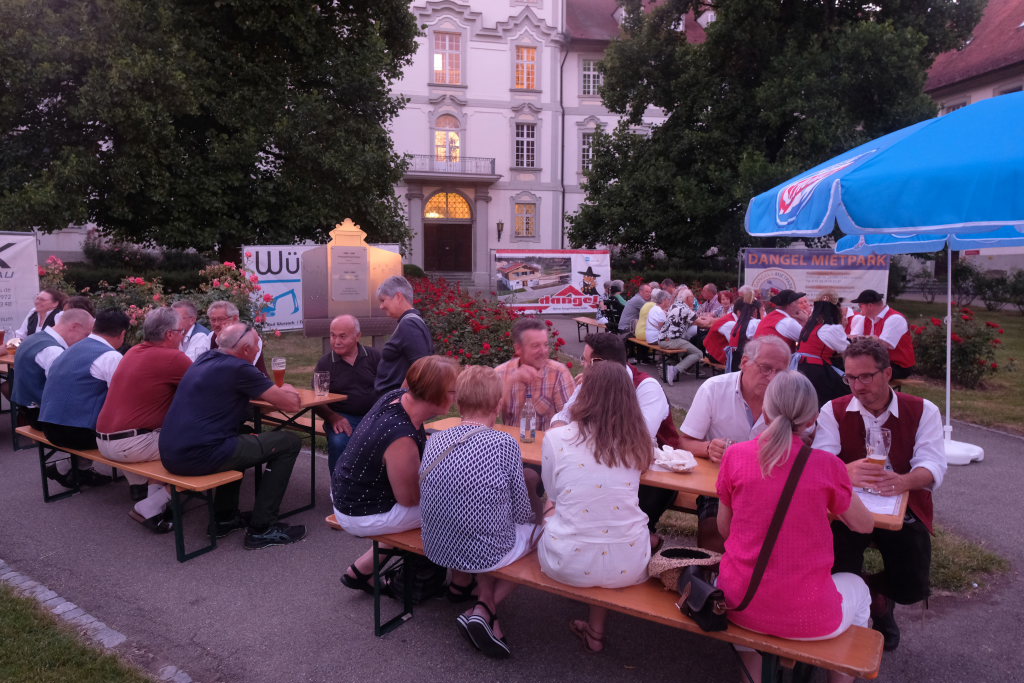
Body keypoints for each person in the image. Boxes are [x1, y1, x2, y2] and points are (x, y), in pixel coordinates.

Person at [717, 371, 873, 683]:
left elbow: (724, 529)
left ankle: (753, 675)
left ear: (765, 411)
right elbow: (864, 525)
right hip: (811, 617)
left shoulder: (735, 456)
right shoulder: (829, 466)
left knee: (739, 585)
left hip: (739, 605)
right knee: (859, 588)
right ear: (813, 419)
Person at [814, 338, 946, 652]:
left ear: (887, 373)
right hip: (848, 504)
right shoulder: (834, 410)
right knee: (838, 558)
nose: (858, 386)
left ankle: (878, 595)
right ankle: (849, 612)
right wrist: (845, 472)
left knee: (913, 581)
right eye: (850, 378)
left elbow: (933, 465)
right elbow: (821, 460)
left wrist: (904, 481)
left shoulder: (922, 410)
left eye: (866, 376)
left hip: (901, 503)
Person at [420, 365, 546, 658]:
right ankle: (485, 608)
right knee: (543, 535)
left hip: (436, 545)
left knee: (485, 525)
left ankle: (474, 596)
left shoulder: (436, 439)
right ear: (498, 405)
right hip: (484, 550)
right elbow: (521, 513)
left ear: (458, 402)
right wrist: (540, 505)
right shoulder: (503, 443)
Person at [539, 361, 654, 653]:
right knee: (605, 522)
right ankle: (595, 630)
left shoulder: (556, 438)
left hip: (566, 561)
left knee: (554, 508)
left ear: (584, 394)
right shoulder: (638, 442)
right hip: (630, 562)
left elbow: (553, 493)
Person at [160, 323, 306, 550]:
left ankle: (224, 518)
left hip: (172, 452)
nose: (258, 348)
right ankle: (262, 527)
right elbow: (291, 404)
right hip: (199, 455)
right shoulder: (239, 368)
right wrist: (287, 387)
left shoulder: (206, 358)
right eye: (257, 344)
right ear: (246, 349)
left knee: (243, 433)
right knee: (289, 442)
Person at [334, 355, 459, 592]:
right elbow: (409, 499)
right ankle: (458, 582)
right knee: (455, 506)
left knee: (443, 497)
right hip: (360, 512)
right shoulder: (401, 438)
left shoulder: (396, 397)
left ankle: (361, 570)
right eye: (453, 391)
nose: (456, 397)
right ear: (435, 395)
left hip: (346, 494)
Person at [550, 332, 680, 551]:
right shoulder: (591, 382)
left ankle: (642, 539)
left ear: (599, 363)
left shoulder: (647, 387)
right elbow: (563, 415)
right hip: (606, 465)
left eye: (586, 360)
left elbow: (638, 439)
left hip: (653, 476)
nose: (583, 366)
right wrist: (560, 432)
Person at [676, 336, 792, 551]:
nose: (772, 377)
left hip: (771, 486)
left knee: (781, 540)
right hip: (720, 486)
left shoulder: (789, 397)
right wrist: (709, 448)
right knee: (714, 532)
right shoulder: (714, 389)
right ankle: (715, 572)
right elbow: (683, 441)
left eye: (780, 372)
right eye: (766, 368)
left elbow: (807, 445)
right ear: (745, 362)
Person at [95, 307, 192, 534]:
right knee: (202, 448)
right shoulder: (173, 357)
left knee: (167, 436)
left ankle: (154, 506)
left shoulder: (133, 351)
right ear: (170, 334)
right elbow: (205, 387)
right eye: (181, 332)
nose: (183, 337)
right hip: (131, 444)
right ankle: (153, 503)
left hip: (105, 441)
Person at [39, 309, 130, 450]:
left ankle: (78, 464)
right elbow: (122, 398)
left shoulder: (68, 349)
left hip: (49, 428)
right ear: (123, 334)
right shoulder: (111, 356)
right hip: (80, 433)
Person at [313, 314, 382, 473]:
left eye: (342, 336)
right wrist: (333, 417)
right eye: (333, 335)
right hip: (342, 417)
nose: (336, 341)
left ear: (357, 336)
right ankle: (338, 484)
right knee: (339, 442)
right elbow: (316, 400)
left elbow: (389, 388)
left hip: (374, 417)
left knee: (392, 440)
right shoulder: (325, 363)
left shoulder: (374, 357)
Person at [11, 309, 93, 429]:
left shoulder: (33, 338)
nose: (86, 340)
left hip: (29, 409)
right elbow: (67, 389)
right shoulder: (53, 350)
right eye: (86, 335)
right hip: (46, 417)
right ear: (74, 327)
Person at [494, 318, 574, 431]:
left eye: (545, 344)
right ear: (518, 348)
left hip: (546, 440)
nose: (543, 351)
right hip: (509, 441)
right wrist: (511, 381)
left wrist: (556, 431)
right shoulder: (501, 373)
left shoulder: (558, 373)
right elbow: (486, 414)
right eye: (535, 346)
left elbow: (571, 418)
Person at [375, 275, 434, 393]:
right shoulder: (411, 322)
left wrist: (400, 399)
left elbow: (421, 367)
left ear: (398, 297)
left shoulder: (409, 325)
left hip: (398, 400)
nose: (381, 306)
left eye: (383, 300)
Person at [796, 293, 851, 406]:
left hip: (802, 368)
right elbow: (846, 348)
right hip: (818, 371)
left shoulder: (808, 327)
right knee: (846, 393)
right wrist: (843, 328)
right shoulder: (830, 329)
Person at [848, 289, 916, 380]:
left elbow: (884, 344)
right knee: (847, 367)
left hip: (898, 366)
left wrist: (863, 339)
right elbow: (853, 338)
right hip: (879, 362)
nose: (859, 309)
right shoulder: (865, 318)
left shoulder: (895, 318)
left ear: (870, 306)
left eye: (860, 306)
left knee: (861, 373)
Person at [206, 301, 268, 375]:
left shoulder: (250, 338)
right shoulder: (210, 337)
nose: (216, 324)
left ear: (235, 319)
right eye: (213, 320)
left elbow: (238, 369)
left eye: (221, 319)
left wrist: (222, 342)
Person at [659, 287, 703, 383]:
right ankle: (674, 370)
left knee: (686, 347)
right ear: (687, 298)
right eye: (692, 297)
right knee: (698, 353)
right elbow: (703, 324)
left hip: (663, 339)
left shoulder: (674, 305)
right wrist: (718, 321)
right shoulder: (685, 310)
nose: (694, 300)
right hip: (671, 340)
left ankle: (667, 364)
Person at [725, 298, 764, 372]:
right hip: (747, 358)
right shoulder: (755, 323)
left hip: (736, 357)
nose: (764, 313)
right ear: (755, 311)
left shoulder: (740, 323)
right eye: (762, 310)